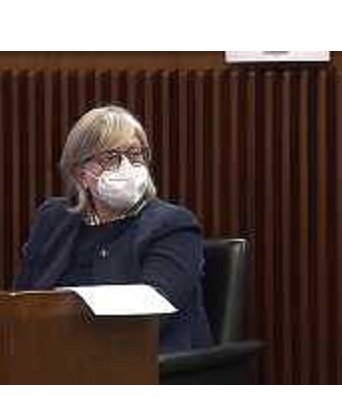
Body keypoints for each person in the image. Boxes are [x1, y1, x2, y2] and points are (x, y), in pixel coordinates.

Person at [14, 105, 212, 353]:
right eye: (111, 157)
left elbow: (154, 312)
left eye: (135, 154)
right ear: (81, 173)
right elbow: (20, 302)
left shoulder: (172, 225)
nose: (126, 166)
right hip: (53, 355)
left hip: (142, 361)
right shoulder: (54, 218)